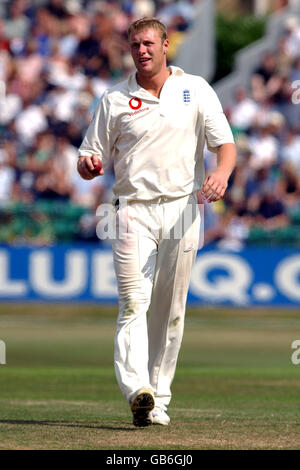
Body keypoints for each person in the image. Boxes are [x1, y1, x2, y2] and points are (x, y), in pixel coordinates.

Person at [77, 17, 236, 427]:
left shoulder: (195, 89)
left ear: (166, 45)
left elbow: (226, 146)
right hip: (131, 210)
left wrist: (220, 174)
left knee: (171, 309)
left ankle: (158, 398)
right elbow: (88, 155)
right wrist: (90, 165)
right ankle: (137, 390)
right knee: (133, 303)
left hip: (183, 208)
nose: (142, 51)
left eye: (148, 43)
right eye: (135, 45)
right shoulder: (113, 99)